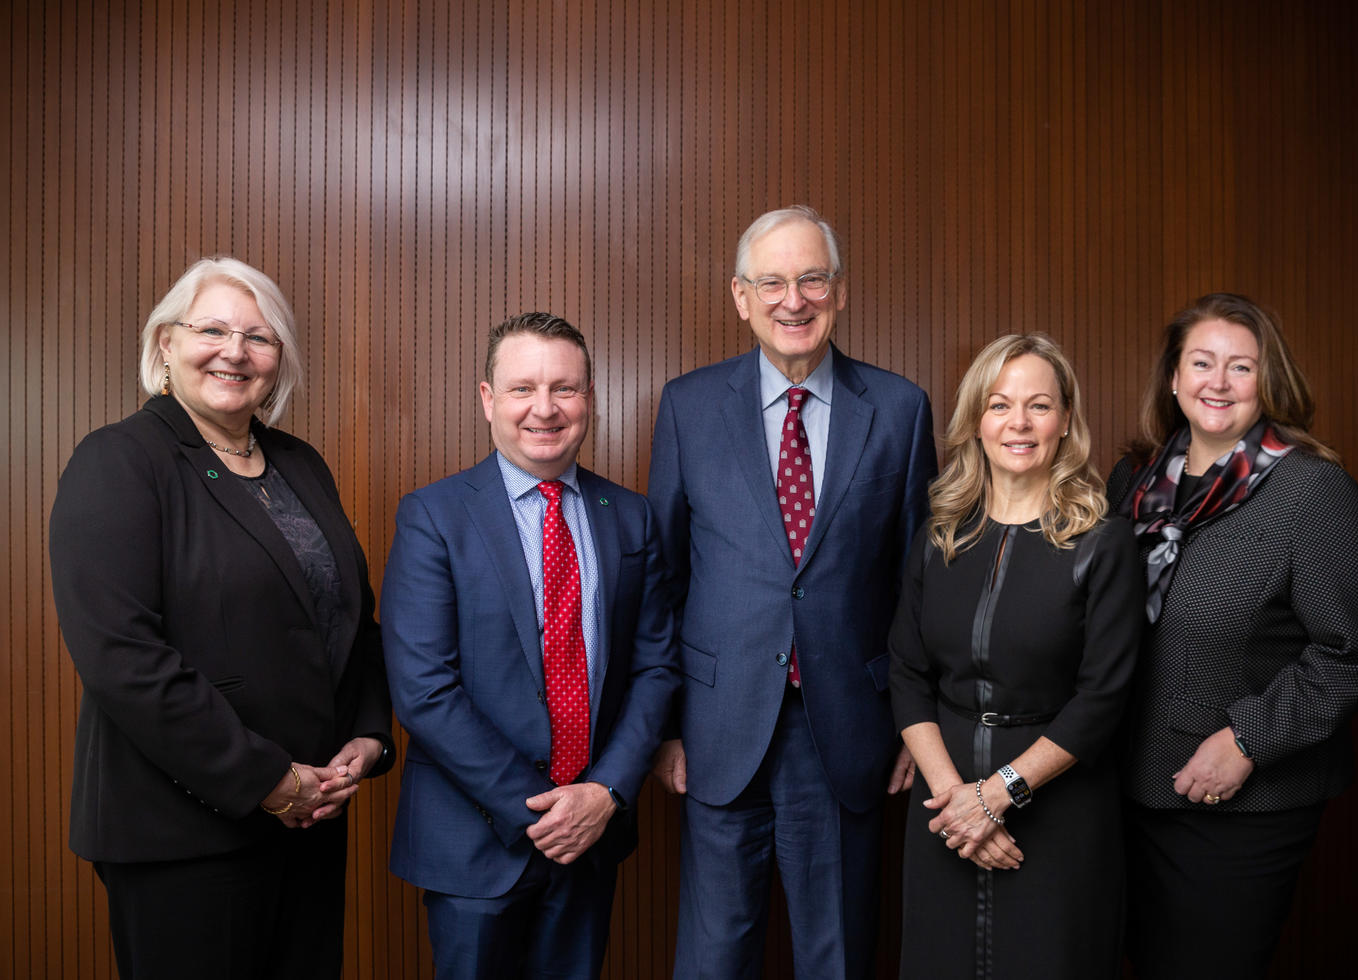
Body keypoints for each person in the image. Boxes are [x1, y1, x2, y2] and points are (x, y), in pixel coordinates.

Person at [48, 257, 394, 980]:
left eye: (259, 337)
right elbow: (124, 658)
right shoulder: (119, 460)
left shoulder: (300, 464)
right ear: (164, 345)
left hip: (310, 818)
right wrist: (267, 780)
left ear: (279, 361)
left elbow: (348, 617)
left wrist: (367, 732)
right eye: (212, 329)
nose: (235, 351)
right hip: (186, 832)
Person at [648, 205, 939, 978]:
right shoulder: (686, 406)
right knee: (714, 958)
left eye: (811, 279)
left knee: (836, 955)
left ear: (839, 292)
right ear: (740, 297)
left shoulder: (901, 410)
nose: (793, 300)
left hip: (847, 727)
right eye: (771, 282)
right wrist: (668, 725)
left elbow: (920, 586)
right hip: (717, 727)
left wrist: (915, 727)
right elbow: (665, 578)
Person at [1106, 293, 1358, 979]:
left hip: (1238, 806)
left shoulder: (1313, 491)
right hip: (1123, 788)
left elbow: (1356, 651)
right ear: (1173, 378)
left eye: (1241, 367)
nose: (1218, 382)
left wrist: (1247, 740)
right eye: (1201, 362)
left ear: (1268, 383)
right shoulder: (1134, 481)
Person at [380, 312, 678, 978]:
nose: (544, 408)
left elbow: (656, 666)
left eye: (564, 389)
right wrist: (544, 813)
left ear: (590, 398)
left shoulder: (631, 517)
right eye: (522, 389)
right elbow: (424, 688)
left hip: (593, 836)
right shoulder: (434, 515)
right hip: (473, 840)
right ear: (488, 399)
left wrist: (603, 793)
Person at [887, 334, 1144, 979]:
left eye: (1039, 406)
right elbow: (908, 672)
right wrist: (956, 802)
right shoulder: (940, 533)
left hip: (1058, 811)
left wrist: (1000, 793)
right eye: (1000, 405)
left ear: (1065, 422)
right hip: (944, 813)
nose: (1019, 424)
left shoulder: (1102, 540)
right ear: (977, 419)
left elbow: (1104, 698)